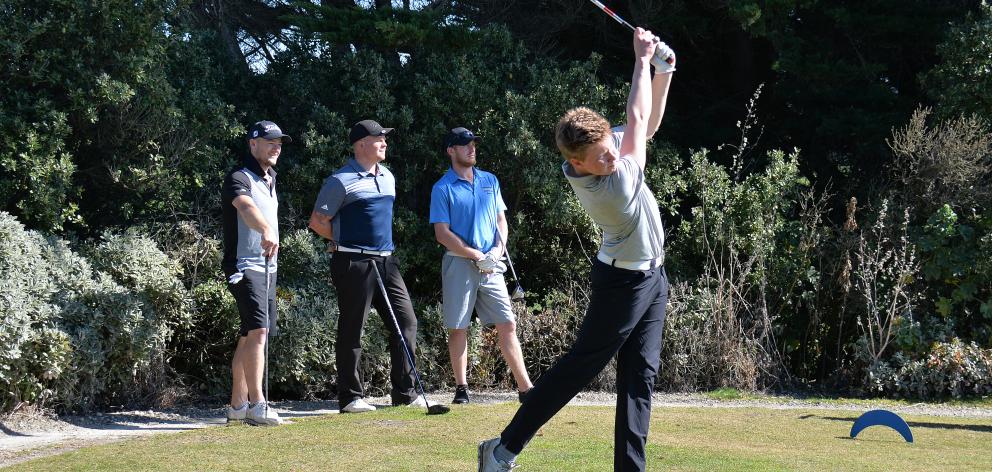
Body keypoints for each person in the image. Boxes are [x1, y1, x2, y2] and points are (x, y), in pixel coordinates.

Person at [479, 28, 676, 471]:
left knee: (640, 379)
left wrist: (664, 71)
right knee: (579, 370)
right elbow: (639, 119)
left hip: (653, 277)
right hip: (622, 283)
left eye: (610, 149)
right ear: (577, 165)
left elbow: (648, 124)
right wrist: (642, 60)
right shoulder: (612, 186)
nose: (609, 158)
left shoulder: (609, 151)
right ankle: (503, 449)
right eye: (599, 158)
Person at [308, 119, 424, 413]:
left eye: (385, 137)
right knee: (353, 329)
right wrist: (346, 240)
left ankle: (405, 393)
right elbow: (317, 222)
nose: (384, 142)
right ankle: (351, 398)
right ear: (361, 144)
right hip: (353, 261)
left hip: (386, 261)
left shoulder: (388, 176)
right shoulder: (340, 180)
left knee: (406, 323)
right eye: (378, 138)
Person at [429, 127, 534, 405]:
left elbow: (501, 220)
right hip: (460, 263)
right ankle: (462, 389)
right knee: (458, 327)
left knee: (507, 323)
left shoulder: (489, 180)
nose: (471, 149)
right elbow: (442, 233)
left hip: (492, 264)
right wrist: (474, 254)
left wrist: (498, 250)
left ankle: (526, 388)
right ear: (451, 150)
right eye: (464, 145)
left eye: (473, 143)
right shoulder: (442, 188)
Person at [222, 120, 291, 426]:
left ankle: (237, 405)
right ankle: (257, 405)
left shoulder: (271, 177)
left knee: (249, 335)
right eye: (270, 141)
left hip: (267, 266)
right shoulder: (239, 177)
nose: (276, 147)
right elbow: (245, 207)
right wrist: (264, 227)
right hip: (244, 265)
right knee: (259, 332)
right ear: (253, 144)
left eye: (279, 143)